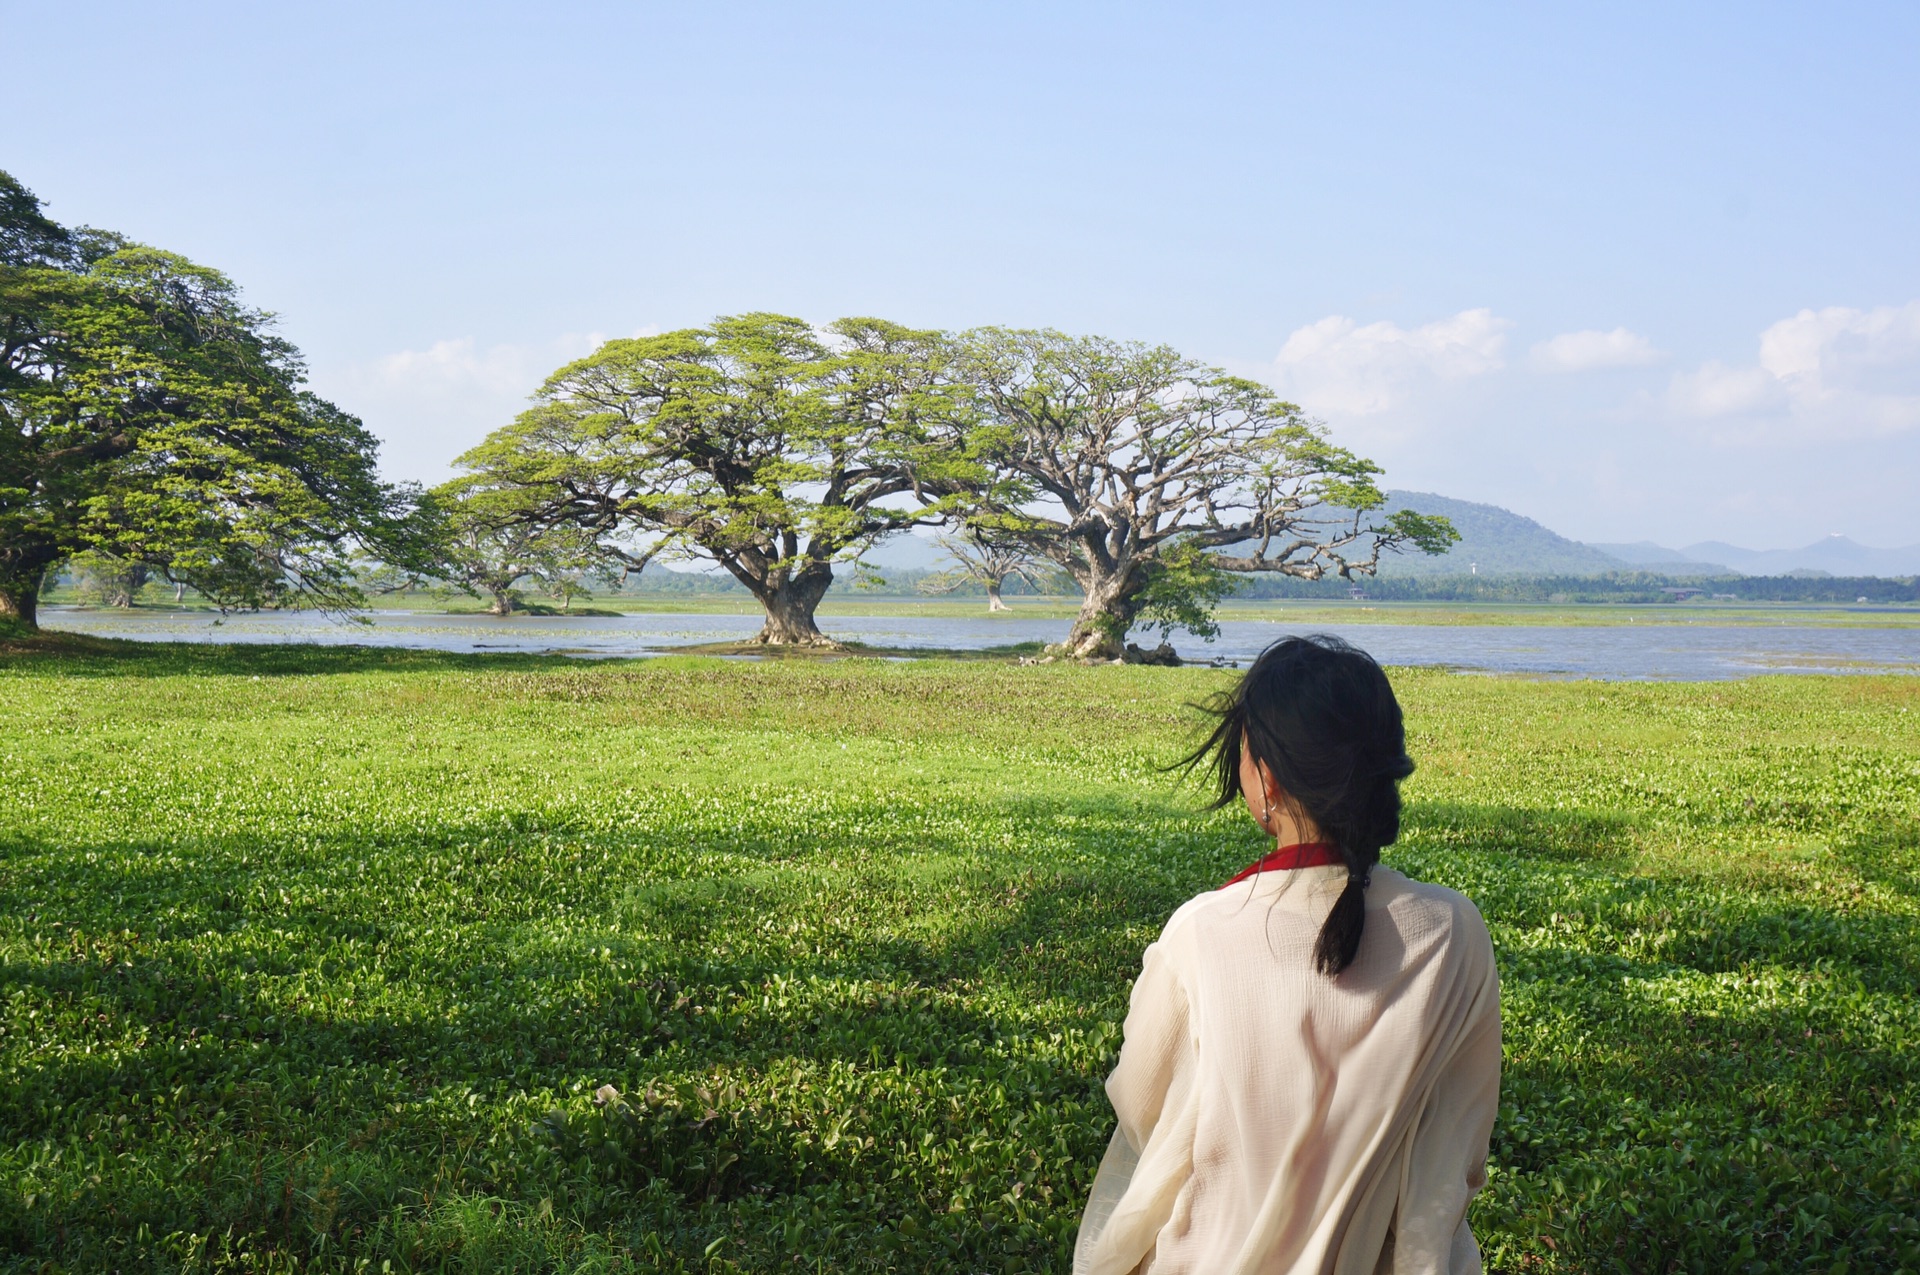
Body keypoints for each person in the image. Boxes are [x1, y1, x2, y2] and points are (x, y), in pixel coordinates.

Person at [1074, 636, 1501, 1275]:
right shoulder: (1453, 931)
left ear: (1265, 776)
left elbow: (1140, 1104)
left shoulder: (1203, 933)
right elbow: (1459, 1148)